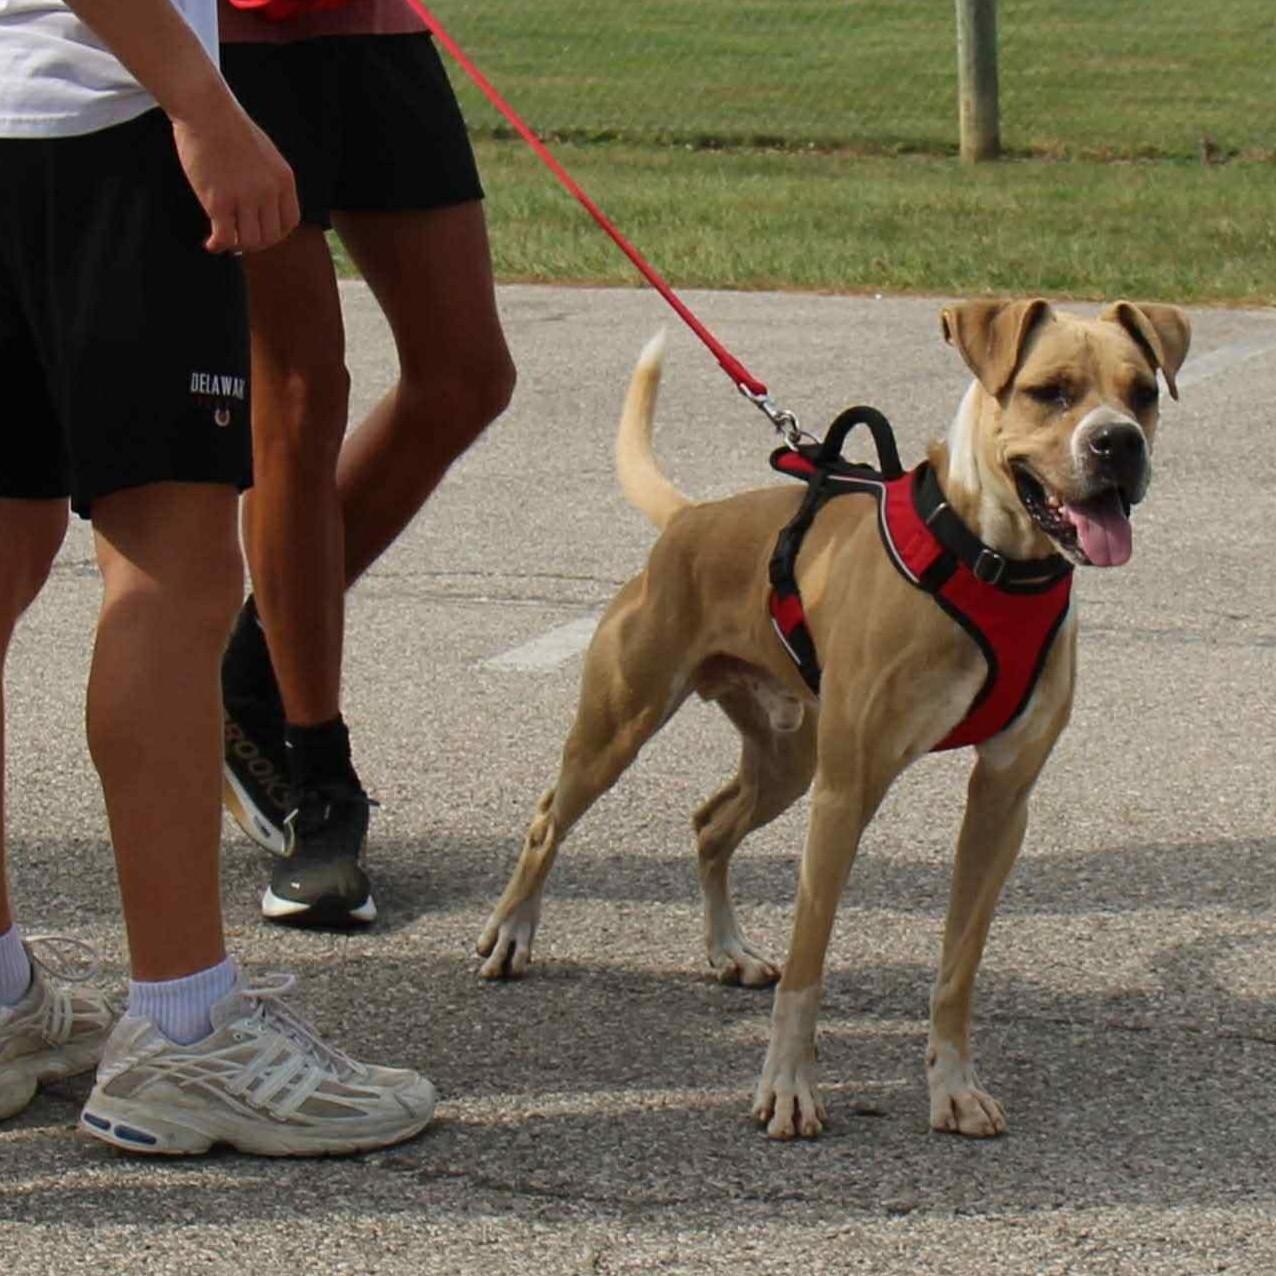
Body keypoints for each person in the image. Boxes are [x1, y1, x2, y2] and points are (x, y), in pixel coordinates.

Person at [0, 0, 436, 1155]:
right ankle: (187, 1032)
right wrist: (202, 105)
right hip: (106, 122)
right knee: (170, 575)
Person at [216, 0, 517, 927]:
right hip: (227, 44)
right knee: (301, 392)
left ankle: (249, 671)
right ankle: (318, 780)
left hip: (375, 28)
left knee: (466, 376)